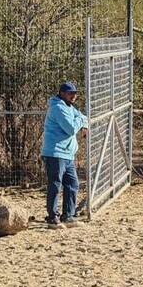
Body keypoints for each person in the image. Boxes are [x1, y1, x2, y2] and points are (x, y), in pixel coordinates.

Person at [41, 81, 88, 227]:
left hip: (68, 154)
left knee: (72, 184)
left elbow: (83, 117)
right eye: (70, 93)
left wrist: (84, 123)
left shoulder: (69, 107)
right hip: (56, 153)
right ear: (62, 93)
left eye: (75, 93)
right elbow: (71, 128)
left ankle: (68, 215)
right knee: (55, 185)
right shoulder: (58, 108)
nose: (74, 96)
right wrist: (81, 121)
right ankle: (52, 217)